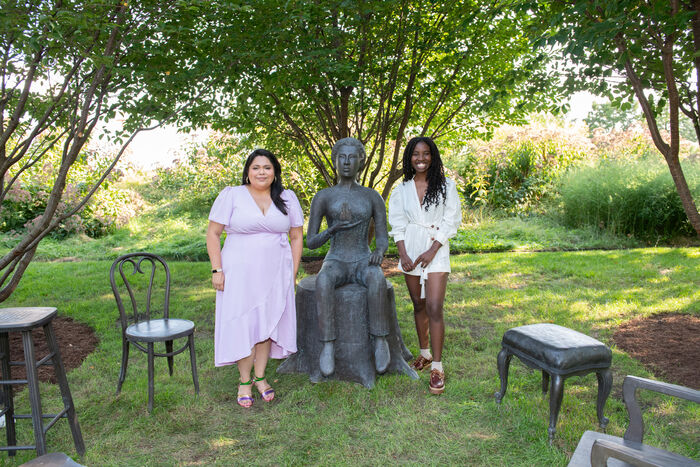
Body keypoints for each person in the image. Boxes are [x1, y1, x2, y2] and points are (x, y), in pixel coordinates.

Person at [206, 149, 303, 408]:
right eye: (256, 167)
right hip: (239, 274)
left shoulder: (287, 198)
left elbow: (296, 237)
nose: (262, 172)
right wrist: (217, 270)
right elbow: (213, 234)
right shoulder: (231, 196)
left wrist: (291, 274)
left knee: (267, 324)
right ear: (247, 172)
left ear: (275, 172)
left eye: (267, 167)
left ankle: (261, 377)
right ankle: (244, 381)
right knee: (244, 324)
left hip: (275, 274)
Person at [306, 137, 391, 377]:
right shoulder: (323, 197)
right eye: (341, 157)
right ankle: (327, 345)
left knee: (376, 278)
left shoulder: (372, 196)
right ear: (334, 161)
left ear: (360, 163)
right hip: (336, 259)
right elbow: (311, 242)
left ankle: (380, 340)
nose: (346, 162)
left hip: (363, 258)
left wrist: (378, 252)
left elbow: (383, 237)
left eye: (352, 158)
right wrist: (333, 228)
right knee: (323, 280)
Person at [388, 136, 461, 394]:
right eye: (415, 154)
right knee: (418, 304)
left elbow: (451, 220)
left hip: (436, 249)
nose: (421, 158)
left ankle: (438, 367)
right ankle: (425, 353)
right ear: (409, 158)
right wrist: (403, 254)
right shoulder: (402, 189)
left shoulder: (445, 186)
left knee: (434, 306)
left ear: (433, 156)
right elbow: (397, 222)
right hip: (411, 248)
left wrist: (432, 249)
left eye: (426, 153)